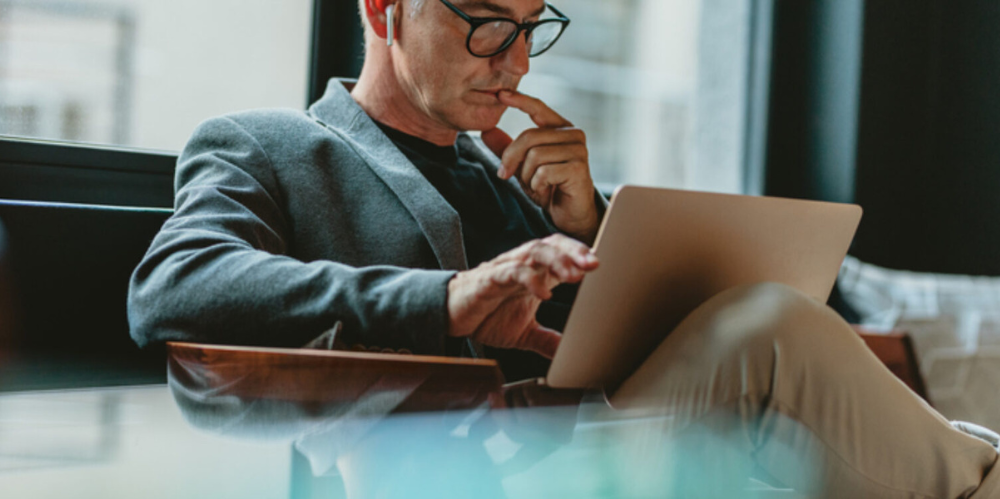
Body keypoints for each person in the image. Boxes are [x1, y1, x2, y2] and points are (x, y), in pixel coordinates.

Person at [128, 0, 1000, 496]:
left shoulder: (520, 176)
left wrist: (591, 229)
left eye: (530, 26)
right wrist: (444, 299)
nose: (516, 63)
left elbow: (613, 345)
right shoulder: (267, 145)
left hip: (600, 439)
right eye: (485, 26)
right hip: (456, 469)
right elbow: (174, 284)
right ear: (383, 10)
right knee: (772, 327)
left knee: (790, 402)